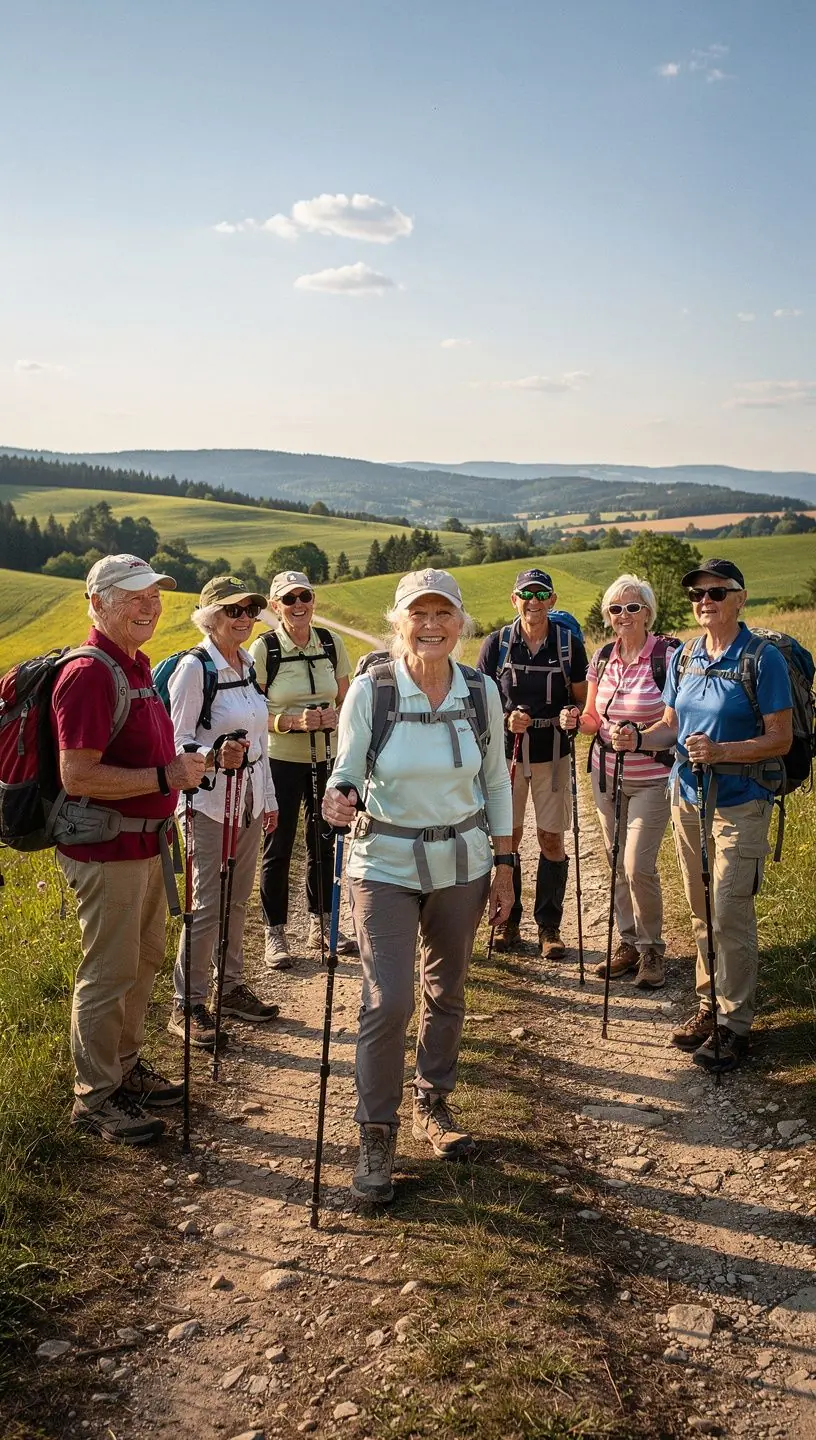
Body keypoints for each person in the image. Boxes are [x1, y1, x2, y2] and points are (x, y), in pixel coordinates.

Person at [323, 568, 514, 1205]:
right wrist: (337, 797)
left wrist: (507, 861)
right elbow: (346, 769)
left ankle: (434, 1100)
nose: (431, 626)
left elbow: (494, 783)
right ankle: (376, 1131)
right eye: (419, 614)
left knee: (447, 988)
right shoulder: (372, 691)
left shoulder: (481, 691)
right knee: (388, 1000)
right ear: (399, 620)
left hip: (464, 863)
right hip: (383, 863)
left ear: (461, 623)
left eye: (443, 614)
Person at [50, 554, 206, 1144]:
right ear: (99, 602)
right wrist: (168, 777)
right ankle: (95, 1097)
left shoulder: (135, 665)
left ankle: (125, 1068)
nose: (151, 606)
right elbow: (79, 776)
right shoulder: (90, 673)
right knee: (109, 972)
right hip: (107, 852)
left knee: (140, 965)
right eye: (135, 596)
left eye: (155, 595)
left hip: (144, 848)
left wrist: (172, 775)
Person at [623, 558, 792, 1071]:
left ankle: (734, 1024)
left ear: (740, 598)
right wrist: (638, 737)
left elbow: (779, 739)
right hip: (688, 798)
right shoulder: (688, 656)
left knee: (728, 910)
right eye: (698, 594)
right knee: (700, 909)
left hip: (741, 804)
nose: (704, 602)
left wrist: (722, 752)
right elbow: (670, 727)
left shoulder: (762, 660)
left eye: (716, 593)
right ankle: (707, 1005)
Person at [166, 575, 281, 1049]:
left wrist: (269, 796)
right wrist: (215, 755)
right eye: (233, 610)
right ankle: (187, 1002)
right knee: (207, 903)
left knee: (236, 898)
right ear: (210, 616)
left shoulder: (248, 663)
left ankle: (229, 987)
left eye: (250, 610)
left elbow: (260, 738)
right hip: (208, 800)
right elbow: (175, 743)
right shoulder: (196, 668)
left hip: (250, 794)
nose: (244, 619)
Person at [560, 574, 674, 990]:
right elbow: (593, 719)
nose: (623, 615)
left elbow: (674, 724)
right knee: (615, 863)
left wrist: (640, 738)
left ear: (647, 612)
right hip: (605, 775)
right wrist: (575, 719)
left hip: (652, 777)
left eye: (632, 607)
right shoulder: (603, 657)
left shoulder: (666, 656)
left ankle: (652, 951)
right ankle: (627, 942)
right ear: (607, 616)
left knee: (636, 863)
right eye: (615, 608)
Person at [477, 568, 588, 958]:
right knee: (509, 837)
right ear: (515, 600)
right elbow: (479, 701)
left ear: (552, 600)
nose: (534, 601)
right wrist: (505, 718)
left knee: (550, 838)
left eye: (542, 594)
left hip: (552, 754)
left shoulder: (569, 645)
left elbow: (580, 701)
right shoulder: (497, 644)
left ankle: (549, 927)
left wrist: (569, 715)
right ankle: (508, 922)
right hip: (507, 754)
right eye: (527, 594)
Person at [249, 571, 355, 969]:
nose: (297, 605)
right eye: (288, 599)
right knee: (277, 846)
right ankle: (274, 934)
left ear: (313, 600)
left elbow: (347, 697)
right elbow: (253, 710)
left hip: (327, 758)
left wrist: (334, 716)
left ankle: (323, 925)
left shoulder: (330, 642)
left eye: (304, 597)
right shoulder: (266, 649)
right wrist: (291, 722)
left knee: (324, 842)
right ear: (275, 607)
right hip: (280, 761)